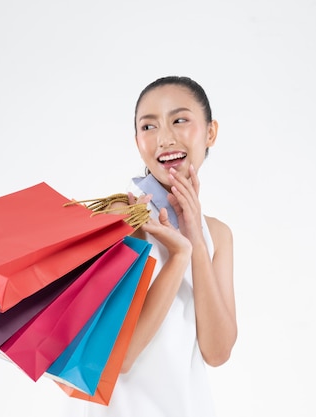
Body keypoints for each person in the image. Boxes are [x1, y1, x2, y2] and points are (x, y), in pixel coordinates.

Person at [63, 76, 237, 417]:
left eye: (179, 120)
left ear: (211, 132)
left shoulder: (218, 234)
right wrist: (179, 255)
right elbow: (120, 358)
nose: (165, 139)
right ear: (137, 140)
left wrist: (196, 242)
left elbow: (217, 352)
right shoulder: (121, 219)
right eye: (149, 126)